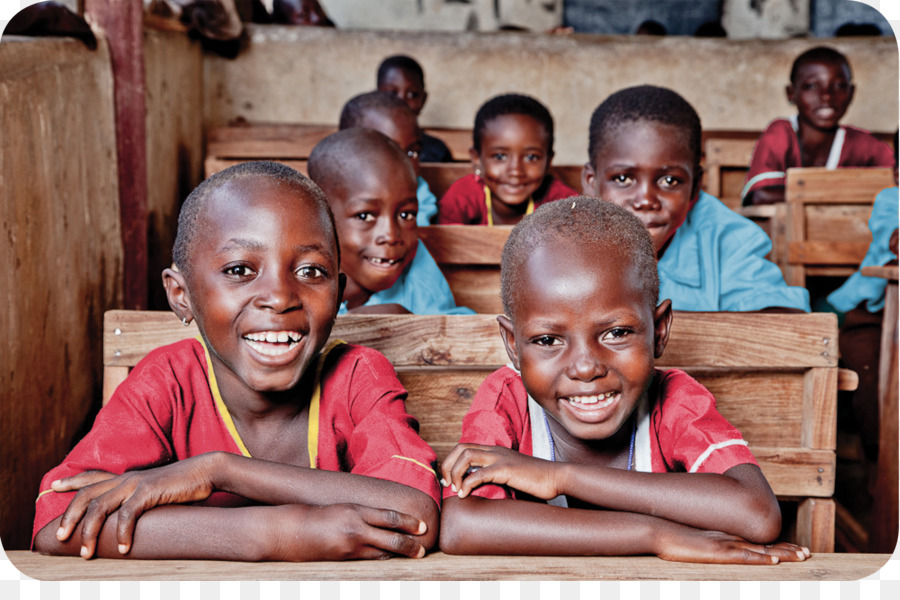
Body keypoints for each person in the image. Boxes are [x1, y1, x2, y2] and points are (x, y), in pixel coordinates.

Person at [32, 161, 440, 561]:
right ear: (181, 294)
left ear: (338, 290)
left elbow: (416, 515)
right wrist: (271, 534)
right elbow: (57, 519)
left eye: (312, 271)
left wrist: (219, 472)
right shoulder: (168, 380)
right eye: (240, 269)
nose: (280, 297)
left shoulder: (356, 374)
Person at [439, 198, 810, 563]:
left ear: (659, 330)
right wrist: (656, 534)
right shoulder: (507, 399)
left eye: (616, 333)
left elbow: (757, 515)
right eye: (548, 340)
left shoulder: (674, 400)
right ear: (512, 344)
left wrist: (560, 477)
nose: (585, 368)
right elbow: (462, 524)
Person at [582, 85, 810, 312]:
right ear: (592, 182)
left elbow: (788, 324)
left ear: (695, 185)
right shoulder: (562, 239)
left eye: (669, 181)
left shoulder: (727, 238)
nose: (646, 200)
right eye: (623, 179)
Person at [308, 128, 473, 315]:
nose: (391, 235)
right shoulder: (298, 277)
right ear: (319, 216)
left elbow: (457, 325)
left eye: (406, 215)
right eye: (365, 216)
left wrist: (411, 325)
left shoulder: (416, 262)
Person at [741, 46, 894, 206]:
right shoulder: (781, 133)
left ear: (851, 93)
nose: (827, 95)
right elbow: (760, 196)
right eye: (812, 86)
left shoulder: (862, 142)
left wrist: (810, 194)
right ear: (791, 93)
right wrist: (843, 192)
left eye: (839, 86)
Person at [826, 130, 899, 463]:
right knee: (872, 380)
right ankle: (880, 458)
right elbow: (894, 242)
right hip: (871, 310)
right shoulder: (891, 200)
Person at [437, 93, 576, 226]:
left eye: (531, 157)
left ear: (548, 161)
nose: (515, 171)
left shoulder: (562, 203)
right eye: (500, 156)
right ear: (476, 159)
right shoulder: (461, 199)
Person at [339, 90, 439, 226]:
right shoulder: (334, 191)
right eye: (391, 152)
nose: (406, 164)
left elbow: (416, 231)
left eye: (412, 153)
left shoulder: (419, 193)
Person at [376, 54, 453, 163]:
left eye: (412, 94)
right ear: (376, 96)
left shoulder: (437, 151)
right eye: (391, 94)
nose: (401, 101)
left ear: (423, 99)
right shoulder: (367, 145)